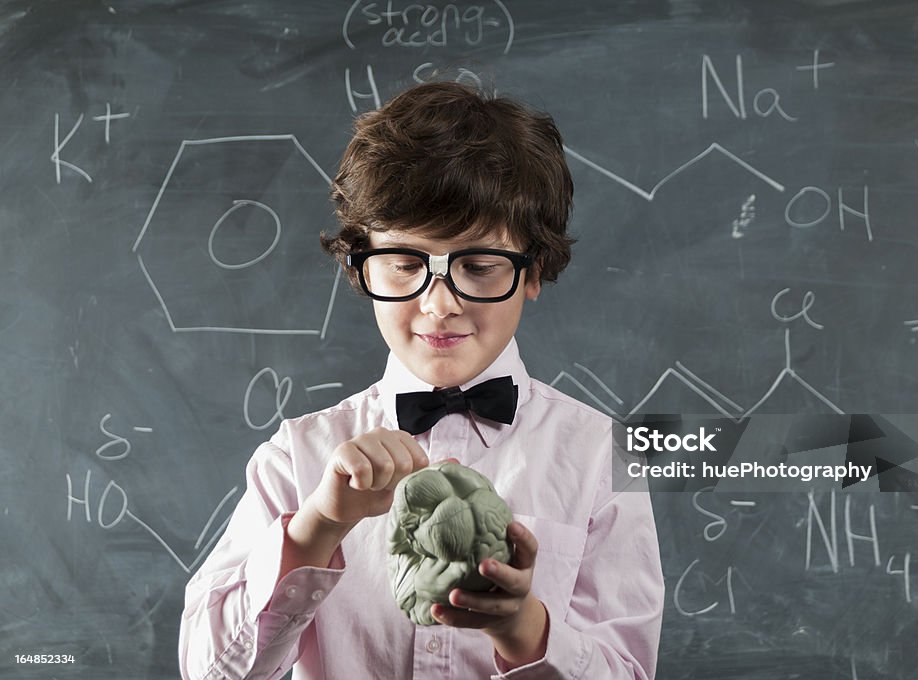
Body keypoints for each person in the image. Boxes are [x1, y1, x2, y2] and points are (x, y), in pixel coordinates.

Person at [179, 80, 664, 679]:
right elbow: (210, 672)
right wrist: (317, 527)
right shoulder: (298, 458)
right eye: (406, 264)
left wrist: (521, 628)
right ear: (362, 266)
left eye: (480, 267)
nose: (439, 305)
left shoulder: (600, 457)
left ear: (533, 272)